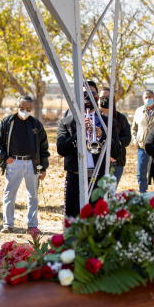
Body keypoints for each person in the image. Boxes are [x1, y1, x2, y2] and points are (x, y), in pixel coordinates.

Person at [56, 86, 119, 218]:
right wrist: (79, 134)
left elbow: (116, 152)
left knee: (98, 219)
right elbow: (61, 149)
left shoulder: (107, 122)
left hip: (99, 178)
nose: (88, 97)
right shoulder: (66, 121)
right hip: (75, 176)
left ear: (97, 97)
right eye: (84, 93)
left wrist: (102, 136)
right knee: (72, 218)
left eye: (93, 93)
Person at [0, 95, 49, 235]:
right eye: (22, 108)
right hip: (14, 162)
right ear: (17, 107)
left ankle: (32, 225)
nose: (24, 111)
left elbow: (43, 147)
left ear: (32, 109)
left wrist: (43, 167)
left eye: (28, 108)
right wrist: (5, 157)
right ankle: (7, 224)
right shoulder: (7, 122)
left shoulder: (36, 124)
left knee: (33, 196)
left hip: (32, 163)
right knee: (9, 194)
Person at [130, 90, 154, 192]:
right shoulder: (138, 111)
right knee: (141, 172)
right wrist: (135, 140)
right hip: (142, 148)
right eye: (146, 97)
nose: (148, 99)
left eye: (150, 97)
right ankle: (143, 193)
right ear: (143, 99)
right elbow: (133, 128)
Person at [99, 87, 132, 183]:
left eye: (107, 97)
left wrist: (115, 145)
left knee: (110, 192)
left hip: (116, 162)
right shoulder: (93, 117)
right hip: (97, 162)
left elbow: (127, 138)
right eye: (102, 97)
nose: (104, 99)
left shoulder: (121, 118)